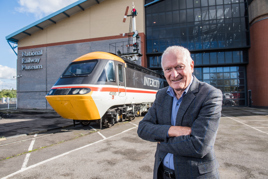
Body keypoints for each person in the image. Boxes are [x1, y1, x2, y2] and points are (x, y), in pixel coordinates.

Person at [137, 46, 222, 179]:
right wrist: (172, 130)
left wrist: (161, 141)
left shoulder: (210, 95)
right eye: (168, 69)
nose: (174, 75)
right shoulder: (161, 95)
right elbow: (142, 128)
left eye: (179, 67)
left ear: (191, 65)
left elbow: (198, 146)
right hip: (162, 174)